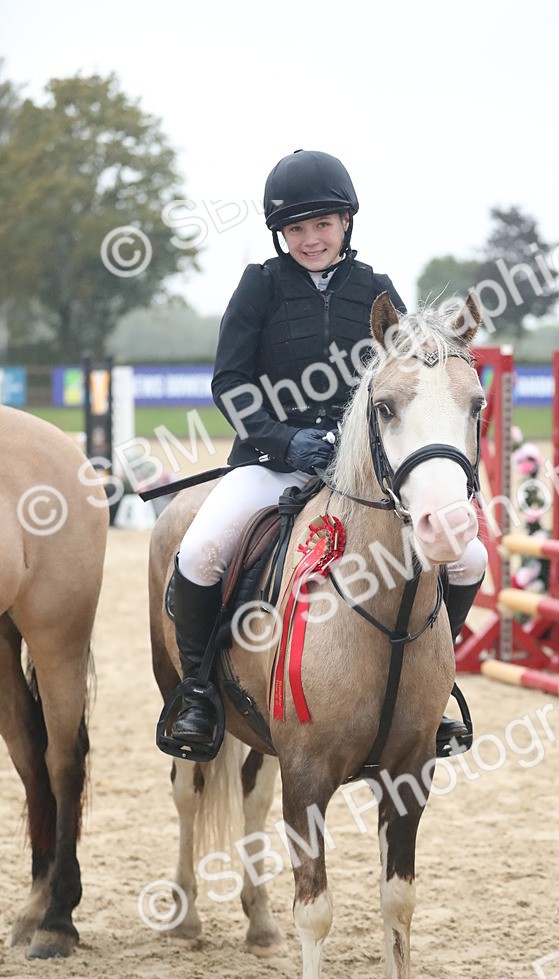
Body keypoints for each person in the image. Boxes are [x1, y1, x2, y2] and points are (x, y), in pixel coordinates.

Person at [168, 149, 486, 755]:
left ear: (346, 223)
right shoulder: (259, 287)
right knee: (201, 549)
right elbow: (230, 383)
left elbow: (409, 382)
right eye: (296, 228)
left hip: (360, 475)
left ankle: (434, 689)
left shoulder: (377, 290)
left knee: (469, 559)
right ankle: (199, 692)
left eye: (322, 224)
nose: (310, 239)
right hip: (271, 464)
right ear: (280, 233)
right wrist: (286, 439)